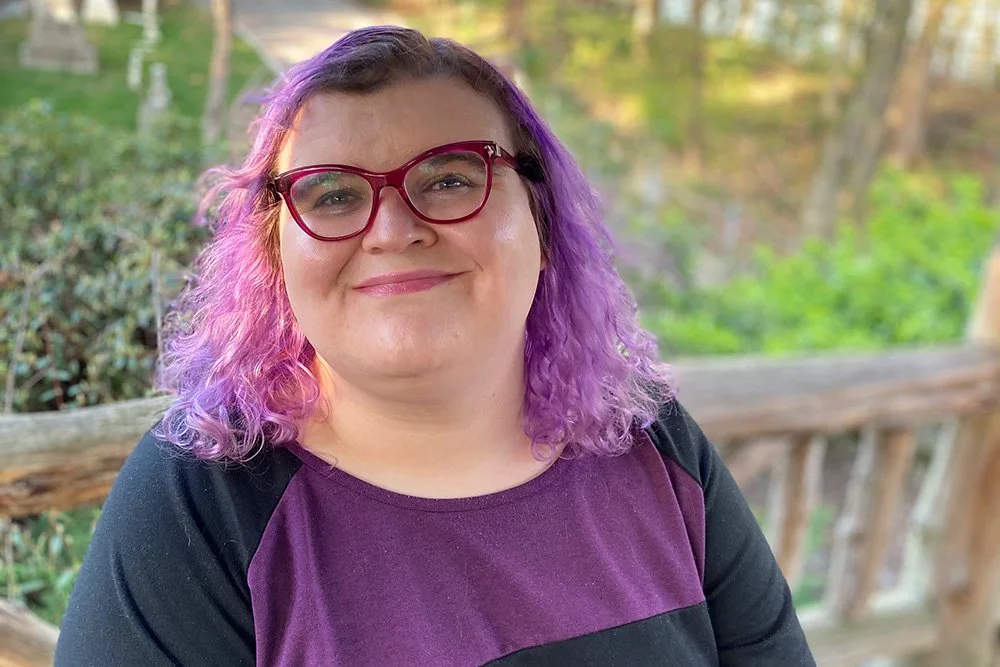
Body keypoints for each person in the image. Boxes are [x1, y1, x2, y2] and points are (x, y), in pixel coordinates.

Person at [55, 26, 815, 667]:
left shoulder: (651, 440)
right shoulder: (198, 504)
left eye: (450, 179)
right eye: (333, 194)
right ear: (275, 256)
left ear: (543, 223)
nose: (392, 230)